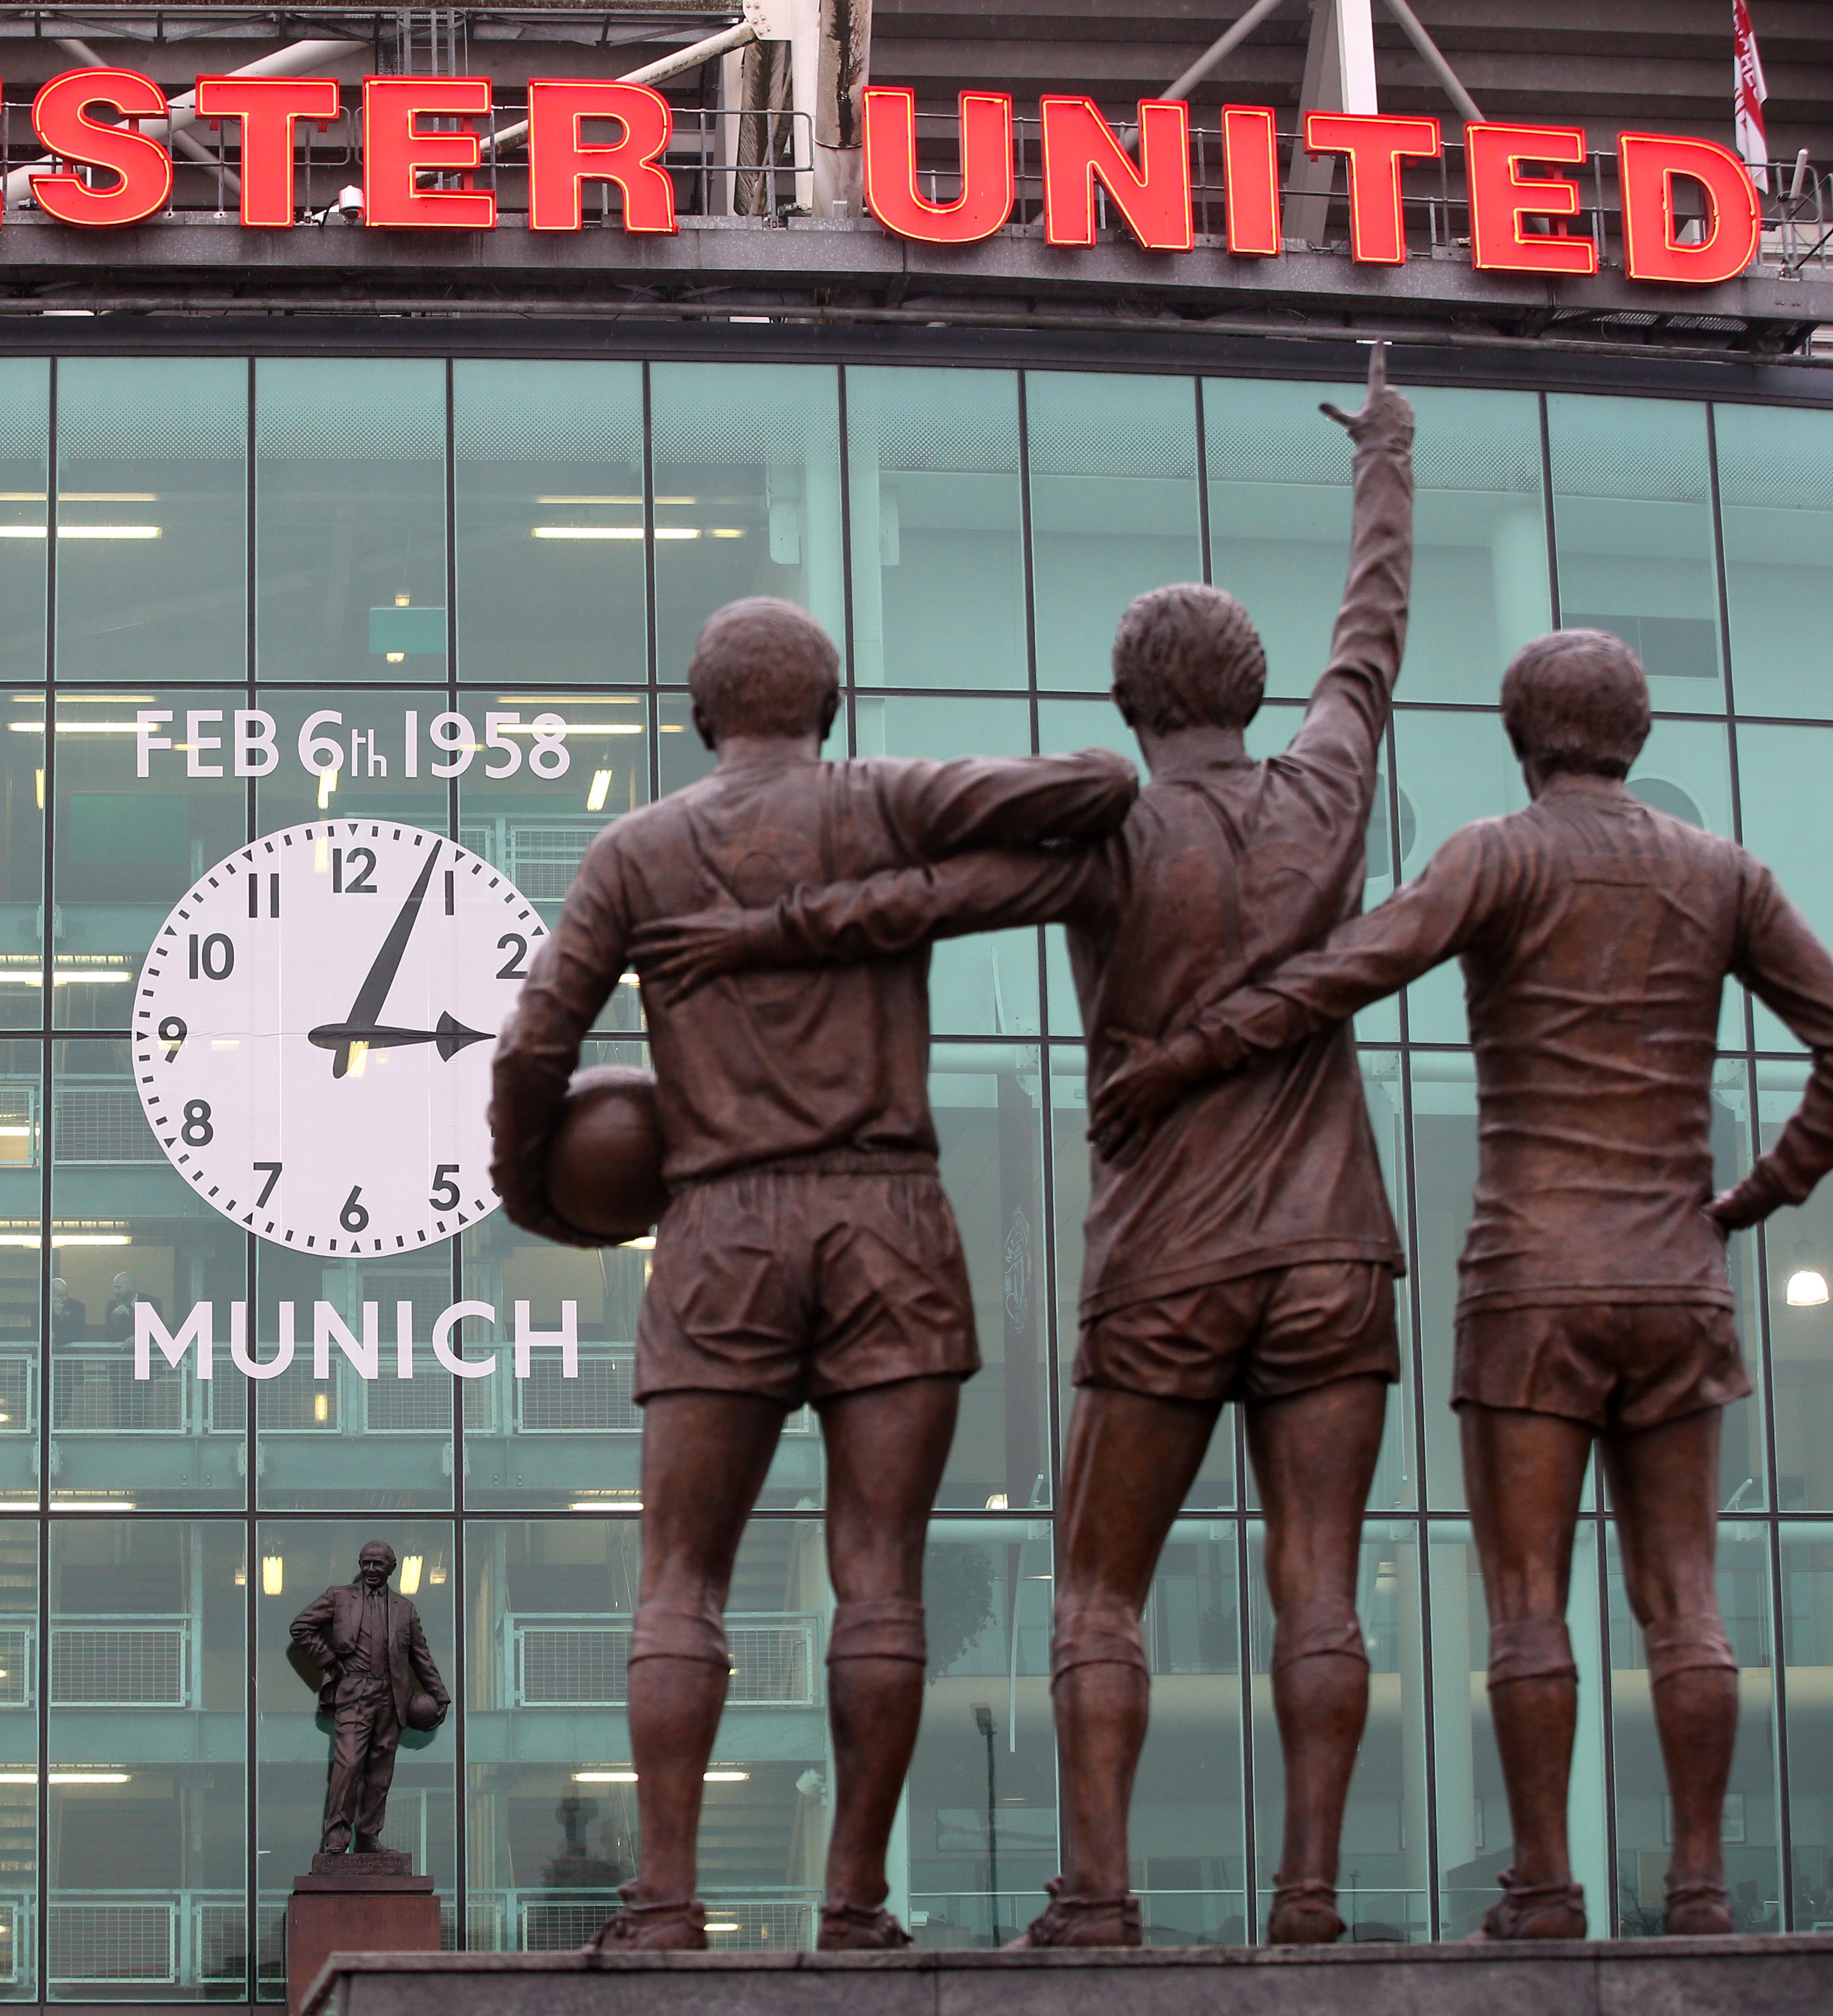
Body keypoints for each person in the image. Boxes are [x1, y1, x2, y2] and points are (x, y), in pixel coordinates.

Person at [627, 351, 1415, 1947]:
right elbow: (1373, 638)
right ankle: (1314, 1898)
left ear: (1130, 707)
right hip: (1338, 1241)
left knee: (1098, 1592)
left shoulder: (1111, 832)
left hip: (1165, 1263)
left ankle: (1102, 1897)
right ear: (1253, 696)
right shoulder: (1331, 786)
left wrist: (759, 927)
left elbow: (932, 902)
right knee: (1321, 1586)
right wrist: (1385, 456)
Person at [1088, 629, 1833, 1940]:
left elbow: (1346, 973)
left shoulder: (1497, 854)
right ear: (1635, 734)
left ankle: (1546, 1881)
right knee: (1685, 1598)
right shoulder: (1725, 873)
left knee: (1528, 1602)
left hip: (1530, 1281)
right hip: (1678, 1281)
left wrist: (1183, 1057)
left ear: (1522, 734)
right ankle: (1697, 1888)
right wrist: (1759, 1194)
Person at [490, 596, 1137, 1951]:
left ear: (700, 712)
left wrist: (533, 1200)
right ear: (827, 705)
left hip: (718, 1223)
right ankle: (854, 1902)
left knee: (678, 1578)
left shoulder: (636, 847)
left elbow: (526, 1049)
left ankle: (664, 1897)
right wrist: (877, 895)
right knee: (879, 1575)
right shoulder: (885, 798)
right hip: (887, 1215)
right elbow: (1097, 789)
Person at [288, 1541, 450, 1857]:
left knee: (380, 1773)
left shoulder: (405, 1609)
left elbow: (421, 1657)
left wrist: (440, 1696)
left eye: (379, 1564)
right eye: (366, 1564)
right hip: (354, 1692)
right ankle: (336, 1839)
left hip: (392, 1696)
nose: (372, 1570)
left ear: (392, 1567)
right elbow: (301, 1626)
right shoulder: (339, 1597)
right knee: (348, 1765)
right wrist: (330, 1661)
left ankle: (368, 1837)